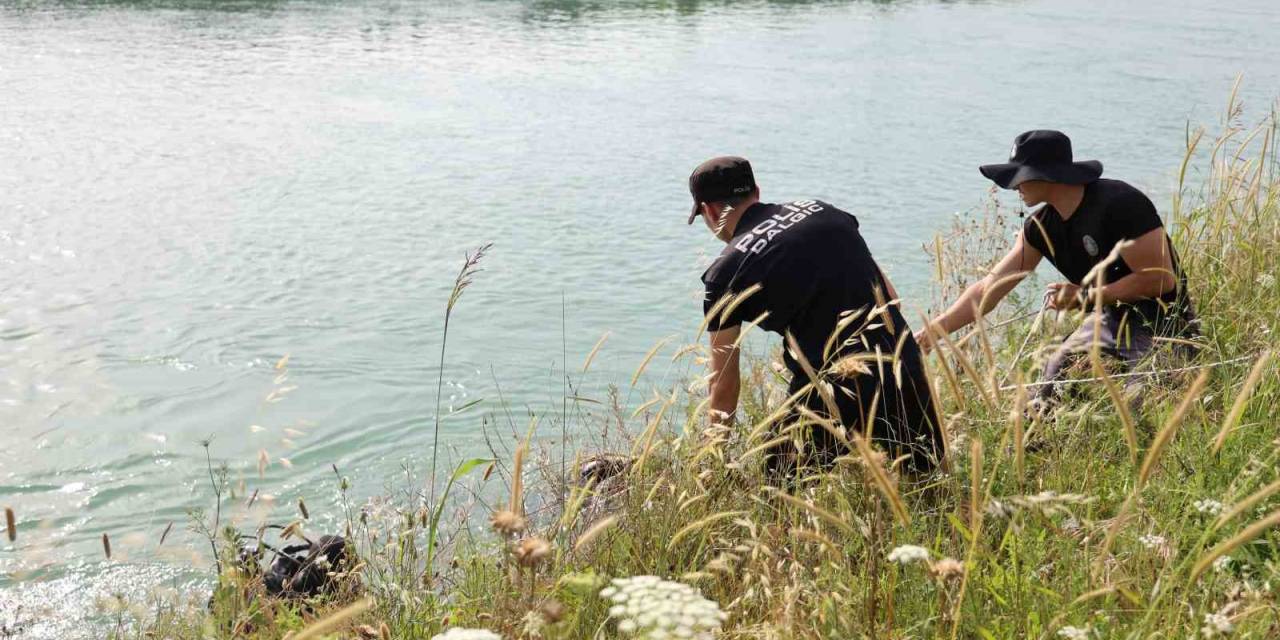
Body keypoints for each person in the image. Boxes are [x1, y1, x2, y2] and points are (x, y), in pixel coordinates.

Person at [689, 156, 943, 480]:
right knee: (930, 488)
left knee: (781, 496)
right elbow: (890, 298)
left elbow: (723, 383)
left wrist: (713, 460)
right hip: (902, 362)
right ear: (756, 191)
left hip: (832, 389)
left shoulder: (724, 272)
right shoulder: (825, 212)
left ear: (709, 210)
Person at [915, 130, 1199, 412]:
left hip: (1164, 324)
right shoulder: (1040, 228)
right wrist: (934, 332)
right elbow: (988, 289)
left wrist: (1086, 296)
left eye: (1020, 176)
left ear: (1046, 174)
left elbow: (1160, 279)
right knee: (1052, 382)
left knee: (1139, 402)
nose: (1015, 186)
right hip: (1107, 320)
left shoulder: (1120, 203)